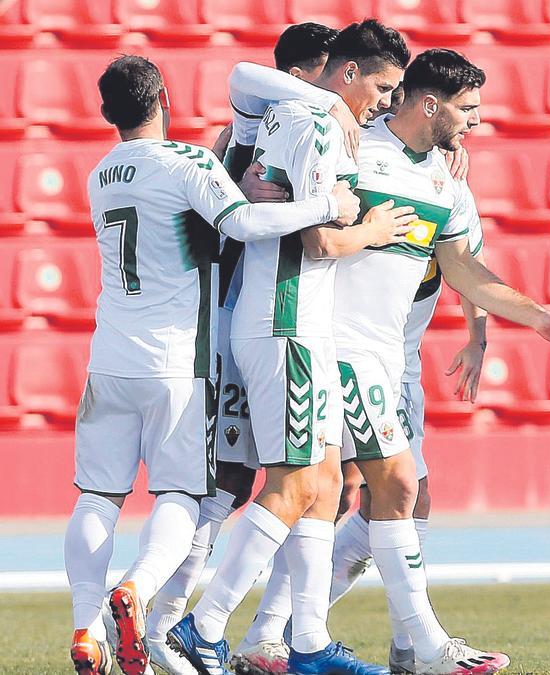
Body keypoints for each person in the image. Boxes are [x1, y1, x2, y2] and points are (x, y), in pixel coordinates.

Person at [67, 54, 360, 675]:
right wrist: (323, 203)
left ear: (106, 113)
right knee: (180, 491)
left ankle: (86, 627)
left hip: (107, 357)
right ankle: (140, 590)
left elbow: (185, 226)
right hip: (176, 360)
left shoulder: (100, 174)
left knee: (97, 497)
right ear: (164, 100)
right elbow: (246, 223)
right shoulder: (189, 161)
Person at [166, 19, 416, 675]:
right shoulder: (322, 123)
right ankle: (204, 622)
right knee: (291, 483)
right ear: (350, 73)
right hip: (288, 323)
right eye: (383, 87)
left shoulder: (283, 116)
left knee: (327, 481)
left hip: (289, 323)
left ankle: (307, 641)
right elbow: (321, 241)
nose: (385, 103)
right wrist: (372, 227)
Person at [335, 47, 550, 675]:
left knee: (364, 496)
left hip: (389, 359)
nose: (475, 121)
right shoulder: (352, 149)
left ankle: (274, 634)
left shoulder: (441, 180)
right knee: (372, 490)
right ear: (429, 104)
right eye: (467, 108)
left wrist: (536, 317)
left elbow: (464, 269)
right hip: (331, 348)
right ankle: (419, 646)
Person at [143, 24, 345, 672]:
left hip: (240, 319)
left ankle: (244, 632)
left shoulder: (276, 131)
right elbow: (241, 76)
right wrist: (332, 105)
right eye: (327, 74)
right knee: (235, 483)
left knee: (282, 480)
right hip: (234, 321)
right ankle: (171, 625)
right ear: (305, 73)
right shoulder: (257, 123)